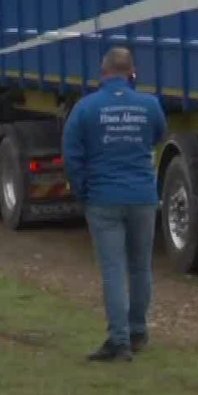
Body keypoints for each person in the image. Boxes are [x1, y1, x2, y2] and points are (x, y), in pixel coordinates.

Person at [62, 46, 168, 362]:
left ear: (103, 73)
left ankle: (118, 341)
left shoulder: (85, 108)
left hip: (104, 198)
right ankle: (138, 331)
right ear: (132, 73)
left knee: (113, 269)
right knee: (140, 267)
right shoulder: (150, 105)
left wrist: (82, 190)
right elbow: (158, 136)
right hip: (143, 198)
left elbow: (71, 155)